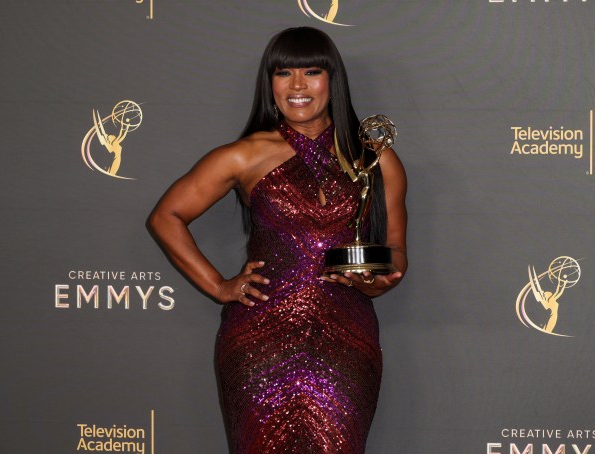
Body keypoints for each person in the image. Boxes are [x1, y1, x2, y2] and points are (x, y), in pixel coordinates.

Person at [148, 26, 407, 453]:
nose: (298, 86)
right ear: (270, 83)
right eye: (284, 73)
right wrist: (219, 285)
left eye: (312, 72)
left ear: (333, 81)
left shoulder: (375, 158)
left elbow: (396, 251)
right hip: (258, 343)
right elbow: (166, 216)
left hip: (346, 339)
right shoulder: (245, 154)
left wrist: (377, 280)